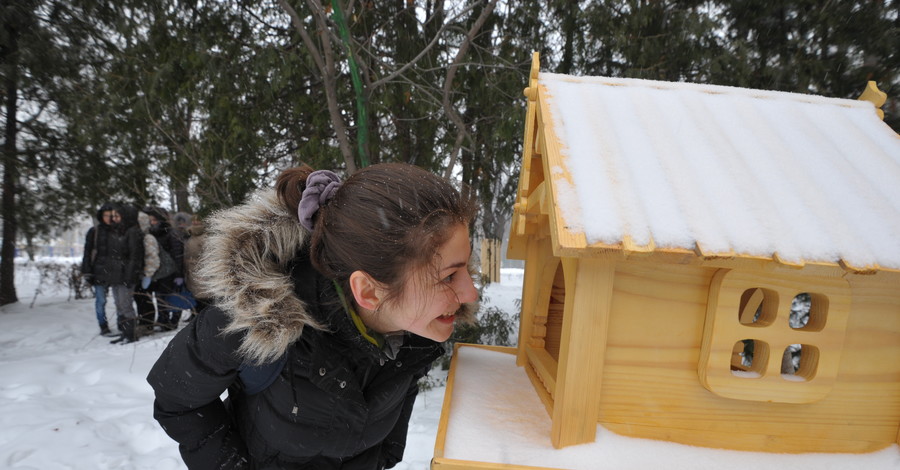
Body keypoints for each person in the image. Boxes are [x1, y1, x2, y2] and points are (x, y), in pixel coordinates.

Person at [147, 163, 479, 469]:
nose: (470, 294)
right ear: (369, 291)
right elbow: (177, 399)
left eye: (465, 270)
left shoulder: (412, 331)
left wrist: (383, 458)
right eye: (448, 277)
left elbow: (392, 413)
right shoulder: (257, 320)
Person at [144, 206, 186, 331]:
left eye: (154, 220)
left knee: (173, 297)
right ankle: (163, 319)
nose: (152, 223)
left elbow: (178, 254)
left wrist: (179, 274)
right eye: (150, 220)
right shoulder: (152, 234)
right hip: (159, 272)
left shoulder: (171, 233)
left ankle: (173, 320)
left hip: (171, 272)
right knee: (160, 297)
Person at [107, 204, 144, 344]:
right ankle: (124, 333)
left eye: (117, 216)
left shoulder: (133, 232)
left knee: (126, 305)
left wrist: (130, 276)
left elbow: (135, 257)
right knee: (119, 305)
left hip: (126, 276)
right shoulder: (118, 231)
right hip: (116, 276)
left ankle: (130, 334)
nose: (114, 219)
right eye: (113, 216)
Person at [81, 203, 116, 336]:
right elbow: (87, 252)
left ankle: (123, 325)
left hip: (116, 272)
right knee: (101, 301)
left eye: (111, 215)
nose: (109, 218)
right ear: (101, 216)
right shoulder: (94, 231)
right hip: (98, 272)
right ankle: (103, 325)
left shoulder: (118, 230)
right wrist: (87, 271)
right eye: (106, 215)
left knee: (120, 300)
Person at [134, 211, 162, 336]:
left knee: (146, 301)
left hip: (147, 275)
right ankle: (143, 322)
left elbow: (153, 259)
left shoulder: (148, 238)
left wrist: (148, 275)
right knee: (141, 299)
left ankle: (148, 324)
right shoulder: (139, 236)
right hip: (141, 275)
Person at [181, 215, 210, 319]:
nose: (196, 223)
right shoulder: (189, 236)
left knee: (204, 296)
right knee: (194, 295)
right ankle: (197, 315)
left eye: (198, 221)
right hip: (190, 271)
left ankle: (203, 317)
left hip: (201, 271)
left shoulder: (205, 238)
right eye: (194, 221)